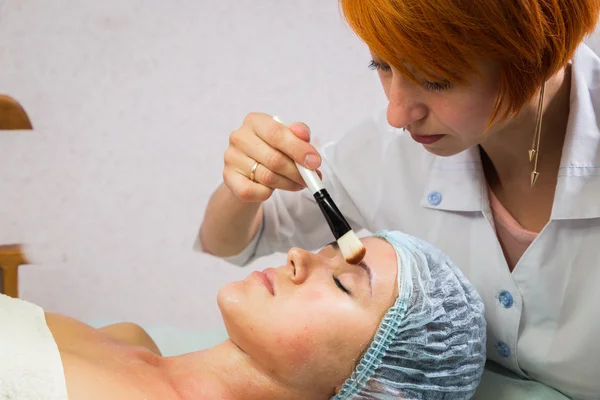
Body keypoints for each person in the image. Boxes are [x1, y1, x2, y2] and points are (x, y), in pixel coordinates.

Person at [197, 1, 600, 399]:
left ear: (540, 55)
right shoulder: (387, 150)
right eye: (382, 67)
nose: (397, 113)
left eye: (438, 80)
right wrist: (247, 183)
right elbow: (231, 241)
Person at [2, 231, 485, 399]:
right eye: (325, 249)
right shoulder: (128, 338)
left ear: (368, 386)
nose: (299, 256)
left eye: (342, 282)